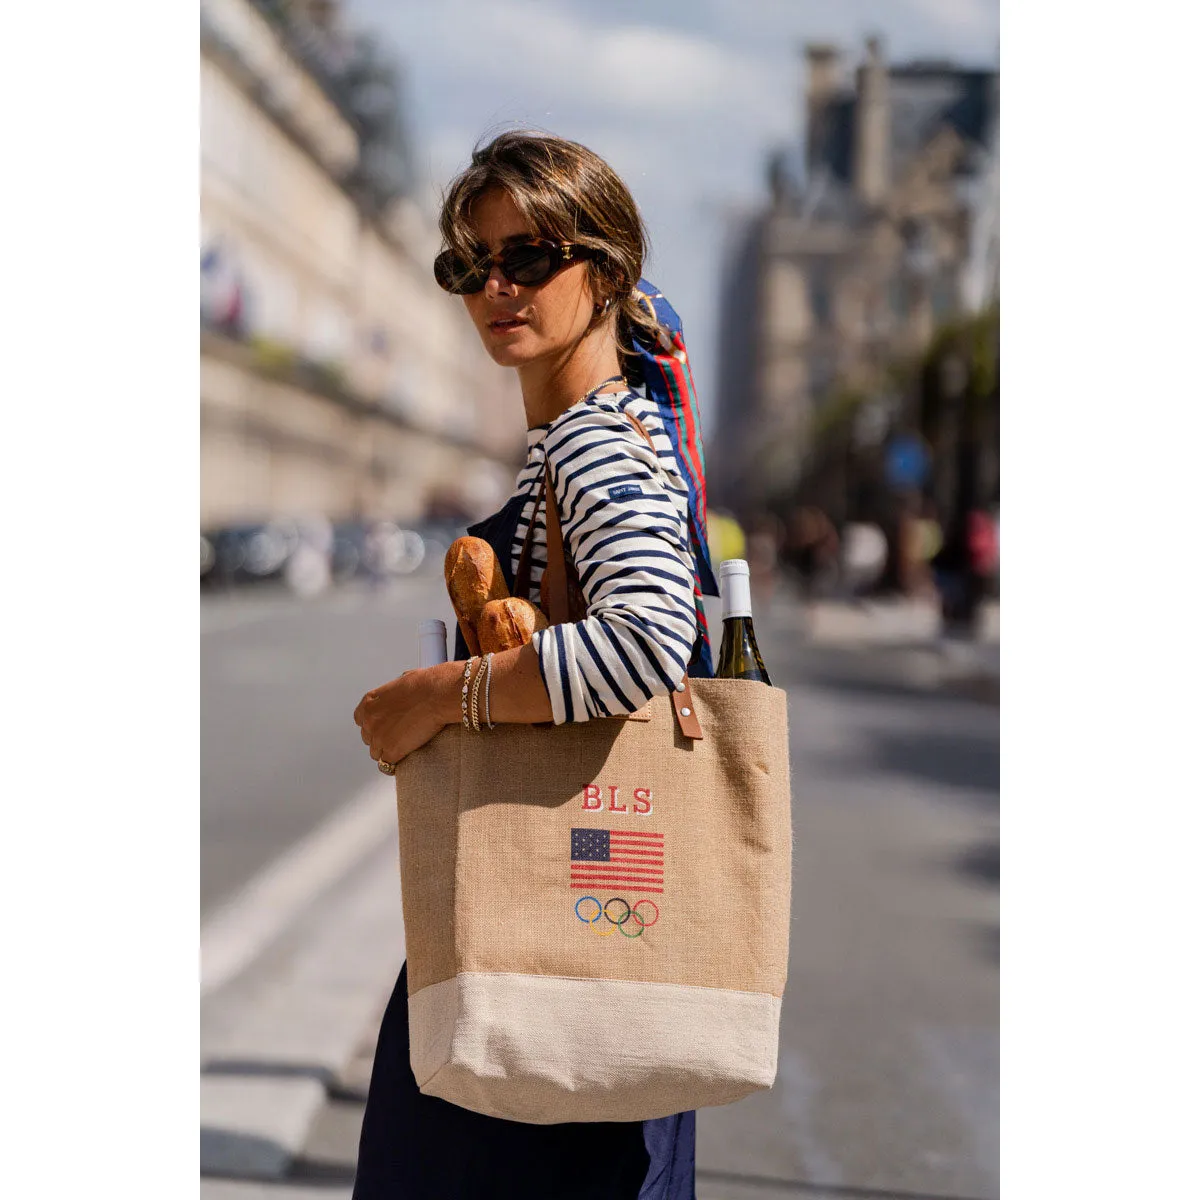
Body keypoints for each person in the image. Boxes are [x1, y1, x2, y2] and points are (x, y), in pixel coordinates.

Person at [350, 132, 709, 1199]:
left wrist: (440, 696)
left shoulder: (599, 440)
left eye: (529, 258)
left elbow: (649, 640)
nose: (494, 286)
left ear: (606, 267)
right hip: (576, 926)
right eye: (470, 264)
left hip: (561, 945)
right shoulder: (573, 432)